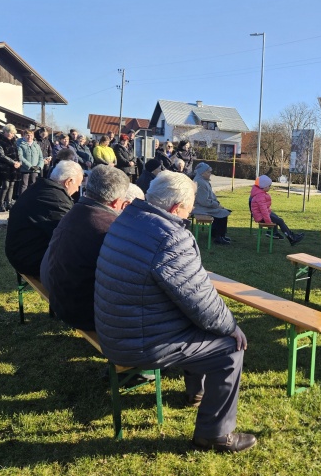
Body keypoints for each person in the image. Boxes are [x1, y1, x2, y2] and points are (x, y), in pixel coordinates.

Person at [94, 171, 256, 453]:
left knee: (198, 325)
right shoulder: (170, 237)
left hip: (115, 327)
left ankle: (197, 392)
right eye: (189, 208)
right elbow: (202, 302)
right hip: (137, 341)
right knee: (230, 348)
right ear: (174, 208)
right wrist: (232, 326)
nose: (190, 214)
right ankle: (214, 434)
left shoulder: (128, 219)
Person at [40, 165, 130, 331]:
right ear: (117, 202)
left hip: (62, 301)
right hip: (85, 313)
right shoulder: (108, 228)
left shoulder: (75, 211)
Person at [5, 160, 84, 276]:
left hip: (19, 252)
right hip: (29, 260)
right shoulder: (55, 199)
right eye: (78, 185)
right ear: (68, 182)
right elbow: (68, 237)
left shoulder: (41, 187)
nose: (77, 190)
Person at [250, 175, 304, 246]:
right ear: (265, 187)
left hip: (262, 215)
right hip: (261, 217)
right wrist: (269, 223)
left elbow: (265, 210)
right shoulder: (260, 196)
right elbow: (264, 211)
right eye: (269, 186)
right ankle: (292, 238)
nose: (270, 187)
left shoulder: (260, 193)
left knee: (277, 218)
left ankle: (289, 235)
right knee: (280, 221)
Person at [192, 162, 232, 245]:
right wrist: (216, 205)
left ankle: (219, 235)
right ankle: (218, 237)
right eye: (208, 172)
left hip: (204, 206)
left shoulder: (203, 181)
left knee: (223, 211)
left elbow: (210, 197)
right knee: (222, 213)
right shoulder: (200, 182)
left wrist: (217, 203)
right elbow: (203, 201)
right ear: (202, 173)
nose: (210, 174)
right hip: (199, 207)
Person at [0, 124, 22, 212]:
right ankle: (0, 204)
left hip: (13, 167)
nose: (12, 135)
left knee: (12, 185)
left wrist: (19, 162)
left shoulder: (14, 141)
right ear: (5, 132)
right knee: (5, 185)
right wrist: (13, 162)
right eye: (11, 133)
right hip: (4, 166)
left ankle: (8, 203)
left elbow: (18, 153)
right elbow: (1, 155)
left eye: (13, 133)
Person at [17, 129, 44, 195]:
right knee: (24, 185)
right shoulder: (20, 145)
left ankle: (31, 200)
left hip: (35, 169)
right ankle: (22, 201)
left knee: (33, 185)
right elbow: (20, 157)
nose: (29, 137)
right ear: (24, 136)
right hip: (25, 169)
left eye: (31, 135)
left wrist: (39, 167)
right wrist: (30, 166)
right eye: (27, 135)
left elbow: (41, 157)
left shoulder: (37, 145)